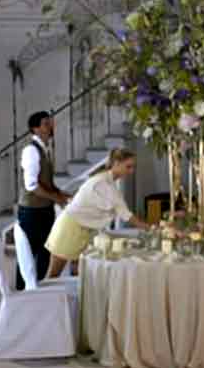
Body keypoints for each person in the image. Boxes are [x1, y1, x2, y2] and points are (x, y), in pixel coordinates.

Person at [45, 148, 149, 278]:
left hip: (82, 230)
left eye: (133, 167)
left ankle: (80, 298)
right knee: (53, 275)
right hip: (70, 229)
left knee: (79, 274)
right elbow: (128, 216)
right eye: (128, 167)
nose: (131, 171)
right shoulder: (104, 184)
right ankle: (41, 298)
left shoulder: (107, 181)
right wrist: (154, 228)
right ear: (116, 163)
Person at [16, 111, 70, 290]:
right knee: (28, 254)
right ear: (35, 128)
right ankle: (23, 293)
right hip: (32, 211)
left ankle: (39, 290)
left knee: (46, 251)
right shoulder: (31, 150)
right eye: (46, 124)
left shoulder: (45, 149)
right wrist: (57, 198)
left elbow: (46, 182)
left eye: (51, 123)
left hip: (44, 210)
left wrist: (62, 195)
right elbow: (32, 186)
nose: (51, 127)